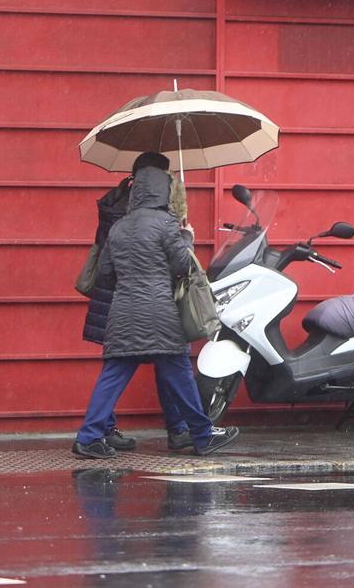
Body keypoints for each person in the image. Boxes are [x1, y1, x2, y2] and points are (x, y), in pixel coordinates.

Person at [73, 166, 239, 459]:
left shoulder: (118, 227)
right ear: (163, 190)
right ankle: (201, 435)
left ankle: (88, 437)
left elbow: (105, 272)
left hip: (123, 313)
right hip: (160, 313)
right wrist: (186, 237)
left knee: (113, 376)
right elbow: (182, 266)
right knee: (180, 374)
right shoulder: (166, 224)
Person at [82, 152, 190, 452]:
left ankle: (101, 430)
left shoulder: (120, 201)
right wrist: (181, 235)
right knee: (166, 363)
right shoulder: (138, 211)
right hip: (137, 297)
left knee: (118, 367)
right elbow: (169, 259)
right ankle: (179, 428)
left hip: (119, 298)